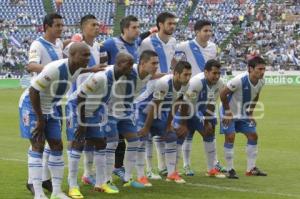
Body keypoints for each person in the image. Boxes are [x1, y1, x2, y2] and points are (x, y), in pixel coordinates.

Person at [19, 42, 90, 199]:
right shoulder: (54, 68)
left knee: (57, 145)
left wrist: (93, 68)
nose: (88, 57)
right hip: (31, 106)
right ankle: (38, 192)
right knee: (37, 144)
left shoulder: (76, 68)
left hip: (50, 107)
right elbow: (33, 91)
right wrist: (40, 118)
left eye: (89, 55)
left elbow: (82, 69)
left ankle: (56, 191)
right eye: (84, 55)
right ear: (71, 55)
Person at [66, 53, 135, 196]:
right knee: (78, 143)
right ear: (120, 64)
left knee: (100, 142)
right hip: (77, 108)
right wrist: (82, 122)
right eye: (129, 64)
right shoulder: (101, 77)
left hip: (95, 109)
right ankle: (72, 185)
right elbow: (81, 96)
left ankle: (100, 183)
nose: (131, 68)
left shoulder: (117, 77)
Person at [100, 15, 155, 180]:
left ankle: (119, 169)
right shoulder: (110, 43)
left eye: (139, 28)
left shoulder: (138, 44)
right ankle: (101, 173)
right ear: (124, 29)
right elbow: (103, 63)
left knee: (126, 138)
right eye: (134, 27)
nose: (138, 31)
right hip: (111, 98)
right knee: (109, 139)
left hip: (127, 100)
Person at [175, 20, 225, 176]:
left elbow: (213, 66)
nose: (208, 33)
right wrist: (177, 72)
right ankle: (185, 165)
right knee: (187, 132)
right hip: (192, 89)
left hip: (208, 89)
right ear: (196, 31)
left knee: (210, 130)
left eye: (210, 31)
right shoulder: (185, 45)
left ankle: (214, 164)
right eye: (205, 30)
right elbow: (171, 52)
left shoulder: (212, 47)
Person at [104, 50, 160, 189]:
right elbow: (108, 75)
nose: (156, 66)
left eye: (157, 63)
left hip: (125, 111)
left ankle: (127, 178)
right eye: (153, 63)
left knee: (134, 142)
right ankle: (106, 180)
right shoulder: (128, 71)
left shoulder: (147, 76)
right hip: (109, 110)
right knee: (111, 144)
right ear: (142, 63)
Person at [63, 15, 106, 192]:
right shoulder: (74, 47)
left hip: (95, 101)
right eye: (93, 25)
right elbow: (66, 60)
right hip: (76, 98)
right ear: (83, 27)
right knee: (76, 140)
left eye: (98, 25)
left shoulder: (99, 47)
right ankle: (72, 182)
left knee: (96, 139)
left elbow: (103, 70)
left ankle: (88, 174)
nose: (97, 27)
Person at [26, 13, 64, 195]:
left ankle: (45, 179)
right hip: (39, 99)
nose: (61, 28)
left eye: (61, 25)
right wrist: (55, 71)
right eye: (57, 25)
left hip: (55, 99)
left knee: (54, 142)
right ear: (46, 27)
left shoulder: (58, 44)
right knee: (37, 142)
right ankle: (33, 182)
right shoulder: (37, 44)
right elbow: (31, 66)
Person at [135, 61, 192, 184]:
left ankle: (171, 173)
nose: (188, 78)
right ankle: (141, 176)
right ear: (176, 73)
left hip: (159, 112)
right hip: (143, 111)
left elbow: (177, 104)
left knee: (171, 136)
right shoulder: (164, 83)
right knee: (142, 139)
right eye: (185, 75)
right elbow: (153, 106)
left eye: (189, 75)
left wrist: (169, 124)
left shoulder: (185, 85)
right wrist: (146, 127)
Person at [138, 12, 177, 179]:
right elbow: (142, 65)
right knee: (146, 131)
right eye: (169, 23)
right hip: (148, 89)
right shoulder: (148, 42)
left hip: (165, 87)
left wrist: (174, 72)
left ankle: (162, 167)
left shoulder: (174, 41)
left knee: (162, 129)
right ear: (160, 24)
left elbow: (172, 59)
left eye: (174, 23)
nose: (173, 26)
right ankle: (148, 169)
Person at [219, 56, 268, 179]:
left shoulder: (262, 81)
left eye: (264, 69)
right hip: (228, 112)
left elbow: (256, 96)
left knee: (253, 135)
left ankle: (251, 169)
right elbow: (223, 93)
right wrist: (228, 112)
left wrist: (250, 113)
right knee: (230, 137)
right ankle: (230, 169)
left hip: (244, 113)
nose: (262, 72)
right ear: (250, 69)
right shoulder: (239, 80)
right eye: (259, 69)